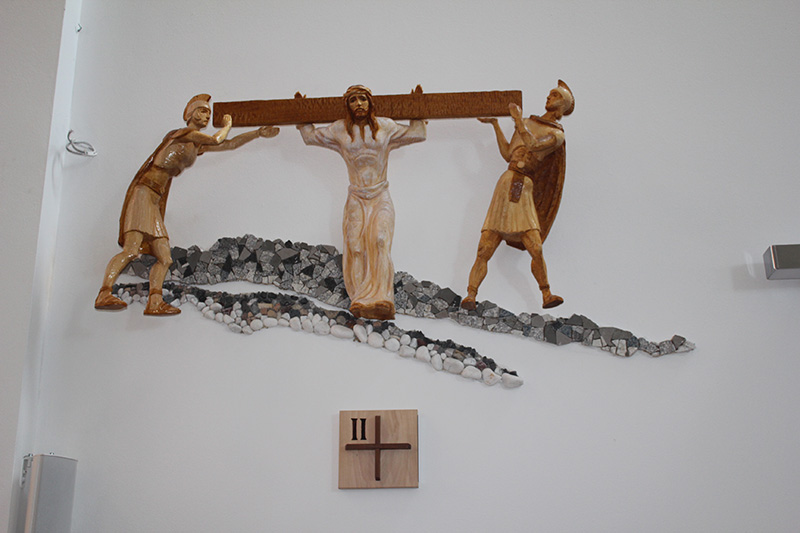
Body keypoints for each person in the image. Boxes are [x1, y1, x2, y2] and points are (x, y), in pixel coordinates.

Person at [94, 94, 279, 315]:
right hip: (143, 193)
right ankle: (104, 292)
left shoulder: (196, 144)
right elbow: (218, 139)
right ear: (190, 114)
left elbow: (229, 144)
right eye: (202, 111)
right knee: (131, 250)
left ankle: (155, 302)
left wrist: (257, 133)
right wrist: (229, 123)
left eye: (208, 113)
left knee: (165, 258)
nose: (207, 116)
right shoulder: (182, 134)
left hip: (154, 198)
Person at [297, 85, 426, 320]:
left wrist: (417, 108)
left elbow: (418, 133)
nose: (359, 104)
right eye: (353, 100)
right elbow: (309, 137)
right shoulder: (339, 130)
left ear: (370, 102)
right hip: (356, 197)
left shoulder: (385, 127)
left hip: (379, 195)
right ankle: (360, 298)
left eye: (363, 99)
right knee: (355, 247)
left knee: (380, 240)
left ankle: (383, 298)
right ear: (347, 105)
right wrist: (301, 110)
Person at [462, 80, 574, 310]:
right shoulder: (527, 123)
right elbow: (507, 154)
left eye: (555, 95)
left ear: (563, 106)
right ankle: (471, 294)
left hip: (525, 187)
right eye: (550, 93)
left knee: (536, 247)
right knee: (485, 247)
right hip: (506, 183)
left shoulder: (556, 134)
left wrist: (517, 120)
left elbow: (533, 145)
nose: (549, 97)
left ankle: (546, 294)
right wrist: (495, 124)